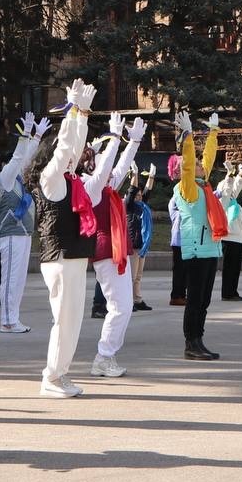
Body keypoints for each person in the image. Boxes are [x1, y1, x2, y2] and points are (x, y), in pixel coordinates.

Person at [31, 78, 102, 398]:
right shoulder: (50, 179)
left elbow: (71, 148)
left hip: (72, 256)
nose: (76, 158)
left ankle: (61, 373)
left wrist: (83, 115)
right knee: (64, 320)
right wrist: (71, 113)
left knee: (72, 321)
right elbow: (65, 149)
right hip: (60, 258)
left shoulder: (68, 179)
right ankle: (52, 377)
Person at [89, 114, 146, 378]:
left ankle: (106, 356)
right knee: (120, 306)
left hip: (116, 252)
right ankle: (103, 356)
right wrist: (114, 139)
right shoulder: (92, 187)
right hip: (105, 252)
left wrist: (133, 143)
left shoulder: (108, 187)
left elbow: (120, 168)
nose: (112, 172)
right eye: (105, 166)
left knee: (123, 307)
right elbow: (107, 169)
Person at [172, 110, 227, 360]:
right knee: (195, 301)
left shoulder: (203, 186)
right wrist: (188, 137)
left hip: (210, 249)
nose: (201, 166)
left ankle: (199, 340)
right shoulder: (189, 188)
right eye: (196, 165)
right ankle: (190, 343)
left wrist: (213, 133)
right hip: (196, 251)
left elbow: (208, 158)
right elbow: (189, 161)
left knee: (204, 301)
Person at [0, 112, 50, 334]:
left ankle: (13, 318)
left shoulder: (17, 180)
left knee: (19, 280)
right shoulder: (4, 179)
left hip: (24, 233)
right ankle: (7, 320)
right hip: (10, 234)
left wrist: (36, 137)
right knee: (10, 278)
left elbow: (25, 161)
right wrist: (25, 135)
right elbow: (19, 159)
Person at [127, 162, 157, 311]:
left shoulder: (142, 207)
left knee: (138, 276)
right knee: (131, 277)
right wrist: (135, 174)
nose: (139, 197)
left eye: (140, 196)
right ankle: (128, 302)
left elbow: (147, 191)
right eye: (136, 196)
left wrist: (151, 176)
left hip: (142, 246)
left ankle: (137, 300)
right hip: (133, 246)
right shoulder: (129, 206)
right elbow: (132, 190)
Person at [217, 162, 242, 301]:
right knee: (229, 268)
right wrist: (229, 174)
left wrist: (240, 174)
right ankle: (227, 293)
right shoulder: (222, 202)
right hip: (229, 238)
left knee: (235, 268)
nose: (229, 191)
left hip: (237, 238)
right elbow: (228, 189)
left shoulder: (232, 200)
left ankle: (233, 291)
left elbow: (236, 187)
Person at [167, 154, 187, 306]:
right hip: (179, 238)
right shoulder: (177, 192)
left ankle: (181, 293)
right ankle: (176, 295)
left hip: (185, 237)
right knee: (179, 269)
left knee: (184, 269)